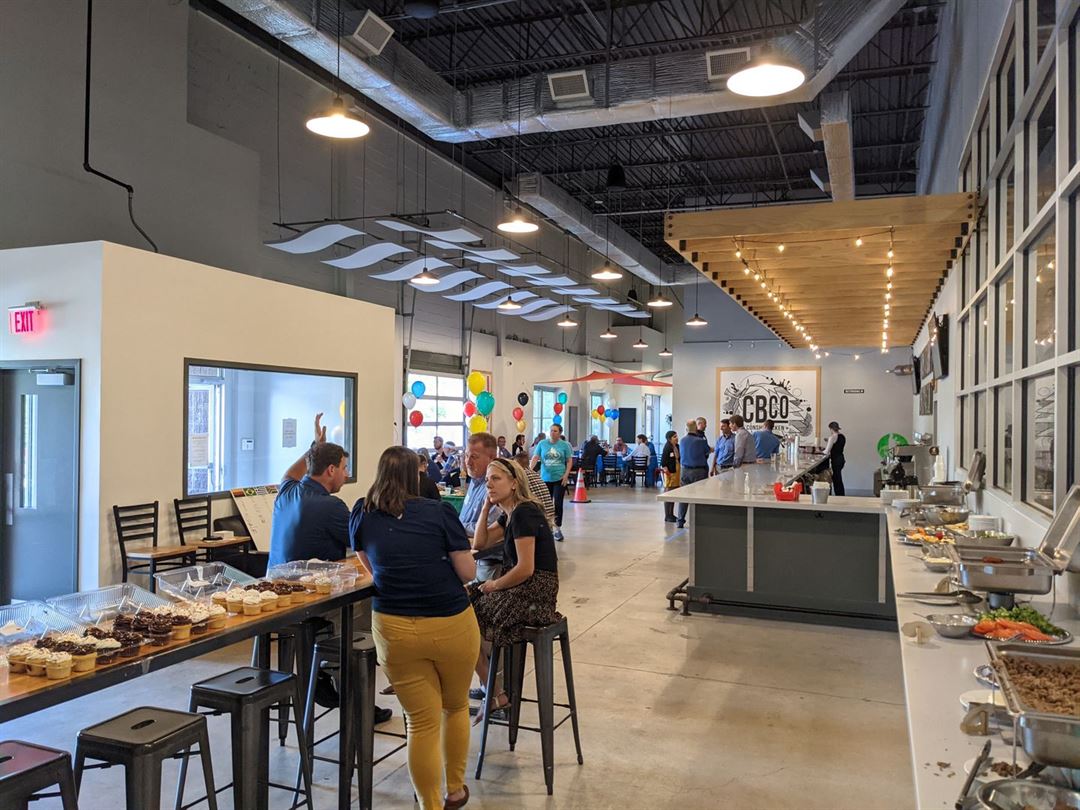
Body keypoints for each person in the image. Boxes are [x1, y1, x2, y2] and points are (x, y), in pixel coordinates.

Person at [350, 447, 479, 810]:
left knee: (420, 722)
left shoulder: (362, 513)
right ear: (416, 475)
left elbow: (368, 564)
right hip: (450, 621)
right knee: (455, 706)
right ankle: (455, 789)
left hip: (393, 627)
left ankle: (429, 804)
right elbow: (467, 573)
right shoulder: (439, 512)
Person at [468, 459, 559, 724]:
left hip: (535, 591)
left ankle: (494, 690)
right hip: (523, 587)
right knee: (460, 604)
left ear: (514, 483)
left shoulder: (524, 513)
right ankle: (493, 689)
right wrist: (486, 507)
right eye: (487, 480)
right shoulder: (510, 514)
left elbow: (526, 569)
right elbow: (480, 542)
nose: (489, 484)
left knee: (461, 617)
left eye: (496, 479)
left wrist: (494, 585)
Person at [268, 413, 350, 567]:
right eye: (344, 468)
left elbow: (290, 474)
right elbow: (364, 540)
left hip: (273, 580)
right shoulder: (332, 506)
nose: (347, 474)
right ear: (331, 470)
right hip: (310, 582)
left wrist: (316, 447)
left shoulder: (286, 492)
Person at [459, 433, 504, 583]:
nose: (468, 462)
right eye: (466, 456)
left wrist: (457, 526)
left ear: (492, 458)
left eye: (474, 457)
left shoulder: (494, 488)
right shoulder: (474, 482)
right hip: (471, 559)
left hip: (489, 565)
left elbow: (489, 529)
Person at [531, 424, 573, 541]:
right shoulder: (542, 444)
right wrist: (529, 470)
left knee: (558, 503)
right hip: (545, 478)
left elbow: (569, 461)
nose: (552, 433)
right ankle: (547, 527)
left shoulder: (564, 445)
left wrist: (566, 475)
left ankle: (557, 529)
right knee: (545, 504)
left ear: (560, 433)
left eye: (555, 431)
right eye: (551, 430)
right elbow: (535, 457)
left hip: (559, 478)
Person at [676, 419, 711, 529]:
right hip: (699, 471)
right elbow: (707, 452)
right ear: (696, 428)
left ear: (686, 429)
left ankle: (680, 520)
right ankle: (698, 521)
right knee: (699, 496)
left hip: (685, 471)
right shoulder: (700, 441)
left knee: (684, 496)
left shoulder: (682, 440)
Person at [513, 451, 556, 528]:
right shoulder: (535, 474)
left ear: (517, 464)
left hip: (536, 518)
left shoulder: (521, 476)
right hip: (549, 518)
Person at [660, 430, 679, 522]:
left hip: (676, 472)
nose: (677, 438)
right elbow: (663, 462)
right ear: (669, 439)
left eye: (676, 436)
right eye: (674, 437)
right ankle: (667, 515)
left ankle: (671, 514)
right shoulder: (667, 447)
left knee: (673, 494)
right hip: (670, 473)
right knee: (669, 493)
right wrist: (666, 470)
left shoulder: (677, 446)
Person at [823, 421, 847, 496]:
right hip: (841, 459)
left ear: (831, 429)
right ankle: (841, 494)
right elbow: (837, 445)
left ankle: (839, 495)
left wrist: (818, 451)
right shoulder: (842, 436)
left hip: (835, 460)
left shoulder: (832, 437)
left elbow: (826, 451)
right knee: (838, 477)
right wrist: (829, 440)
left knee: (836, 479)